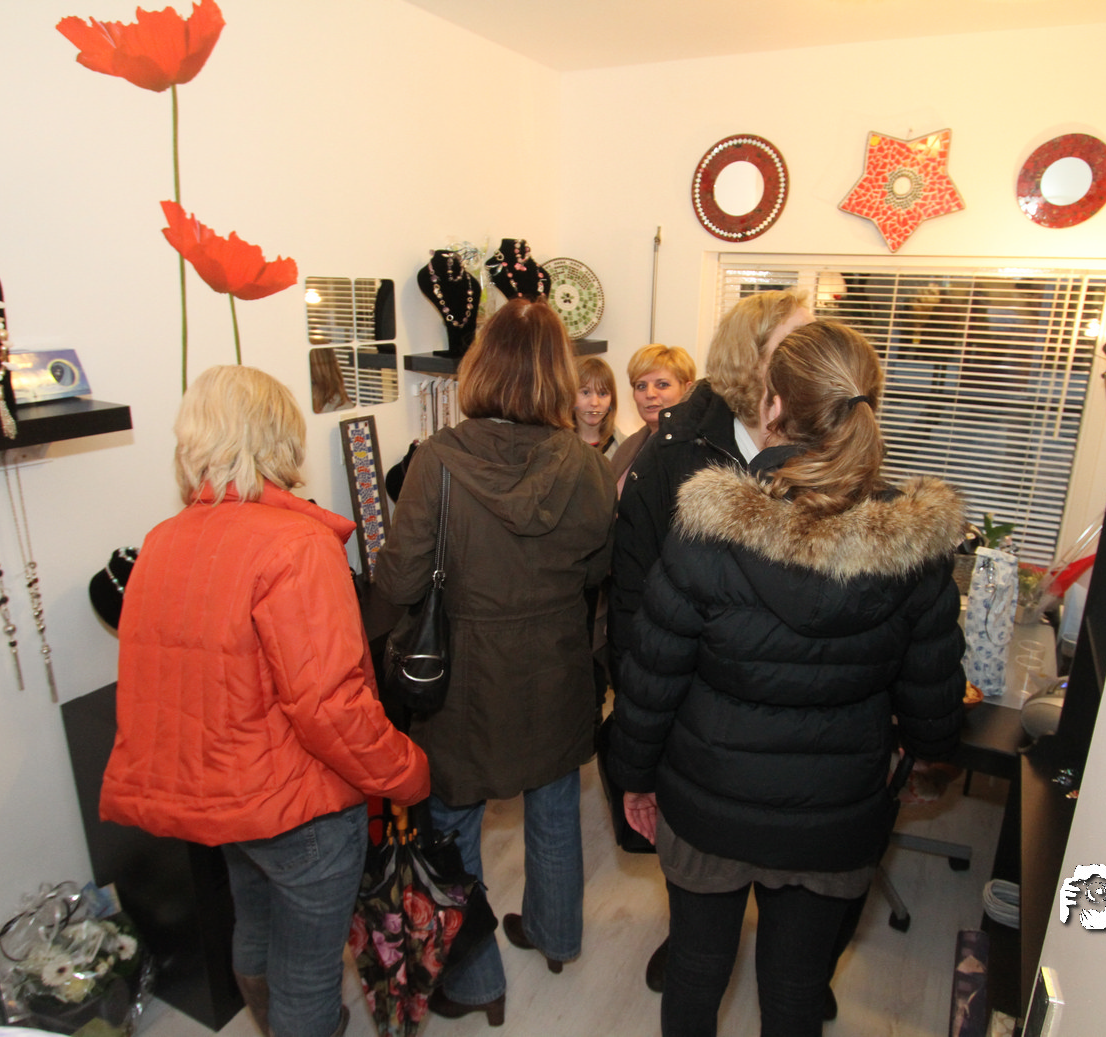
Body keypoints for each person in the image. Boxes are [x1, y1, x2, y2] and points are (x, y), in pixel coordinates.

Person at [608, 321, 967, 1037]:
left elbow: (651, 678)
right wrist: (920, 762)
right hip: (835, 814)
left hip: (708, 802)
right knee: (796, 992)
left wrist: (634, 779)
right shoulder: (915, 543)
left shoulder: (709, 527)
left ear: (772, 407)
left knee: (695, 972)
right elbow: (933, 698)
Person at [102, 365, 430, 1037]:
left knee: (253, 921)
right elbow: (328, 703)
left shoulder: (163, 540)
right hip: (295, 804)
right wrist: (405, 770)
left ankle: (269, 1020)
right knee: (308, 968)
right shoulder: (296, 545)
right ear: (279, 438)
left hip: (219, 796)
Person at [376, 297, 617, 1027]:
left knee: (452, 824)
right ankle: (556, 935)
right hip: (554, 666)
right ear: (557, 376)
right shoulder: (585, 462)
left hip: (466, 677)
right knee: (554, 804)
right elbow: (597, 568)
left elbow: (400, 581)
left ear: (480, 367)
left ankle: (478, 979)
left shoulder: (436, 461)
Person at [607, 289, 812, 992]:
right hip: (698, 707)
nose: (812, 354)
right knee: (698, 869)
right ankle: (693, 938)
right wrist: (638, 721)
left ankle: (795, 964)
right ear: (750, 359)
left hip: (798, 707)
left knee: (793, 890)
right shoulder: (672, 451)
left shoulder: (828, 445)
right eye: (795, 342)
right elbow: (633, 595)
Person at [607, 343, 696, 491]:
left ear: (687, 389)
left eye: (662, 385)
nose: (650, 394)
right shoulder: (628, 446)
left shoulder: (695, 449)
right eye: (641, 386)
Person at [574, 354, 620, 454]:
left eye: (602, 394)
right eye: (586, 392)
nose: (594, 403)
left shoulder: (627, 448)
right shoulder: (555, 446)